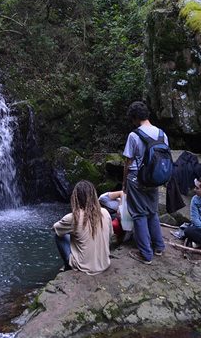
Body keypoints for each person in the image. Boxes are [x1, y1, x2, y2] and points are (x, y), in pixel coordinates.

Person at [122, 101, 166, 265]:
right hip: (155, 178)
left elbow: (128, 162)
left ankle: (146, 254)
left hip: (136, 178)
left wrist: (124, 184)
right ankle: (159, 247)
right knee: (152, 212)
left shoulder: (134, 135)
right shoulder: (162, 134)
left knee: (139, 214)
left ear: (134, 118)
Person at [53, 180, 113, 275]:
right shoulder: (105, 212)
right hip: (105, 264)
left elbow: (55, 228)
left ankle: (68, 266)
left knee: (60, 235)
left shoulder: (73, 218)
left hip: (84, 267)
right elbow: (110, 235)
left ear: (76, 198)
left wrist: (71, 228)